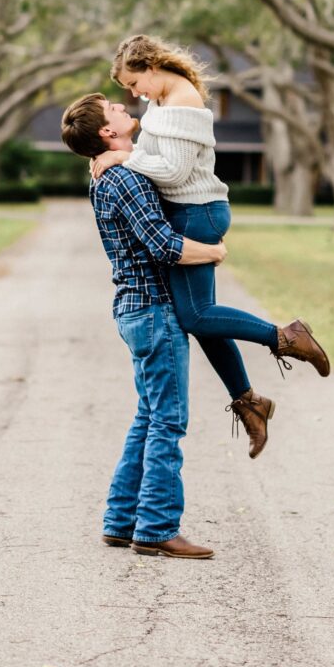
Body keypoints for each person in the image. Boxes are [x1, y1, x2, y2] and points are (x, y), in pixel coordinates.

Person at [89, 34, 330, 457]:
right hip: (190, 211)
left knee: (198, 315)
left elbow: (176, 173)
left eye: (133, 82)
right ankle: (250, 402)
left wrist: (124, 158)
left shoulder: (183, 102)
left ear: (150, 67)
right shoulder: (162, 102)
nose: (132, 93)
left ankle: (286, 337)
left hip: (196, 211)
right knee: (203, 318)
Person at [61, 92, 222, 559]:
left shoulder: (108, 171)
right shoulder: (126, 179)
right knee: (168, 421)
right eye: (114, 109)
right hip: (154, 309)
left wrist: (121, 153)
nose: (124, 108)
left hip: (133, 309)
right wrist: (213, 252)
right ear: (106, 132)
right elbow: (163, 244)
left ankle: (120, 520)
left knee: (148, 417)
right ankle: (156, 528)